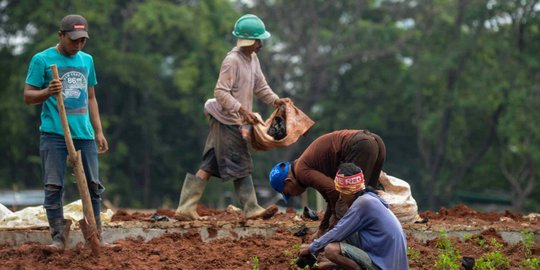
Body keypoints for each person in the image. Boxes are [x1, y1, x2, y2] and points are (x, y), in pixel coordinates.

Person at [175, 14, 290, 220]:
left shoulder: (252, 59)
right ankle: (251, 207)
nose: (260, 44)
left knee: (210, 163)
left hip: (232, 118)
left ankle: (185, 207)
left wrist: (275, 101)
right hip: (225, 119)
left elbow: (260, 86)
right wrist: (242, 110)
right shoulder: (232, 61)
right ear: (249, 40)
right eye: (258, 40)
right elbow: (221, 92)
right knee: (240, 159)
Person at [24, 14, 108, 250]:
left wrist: (98, 131)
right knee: (53, 186)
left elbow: (91, 98)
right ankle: (58, 237)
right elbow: (28, 96)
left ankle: (96, 235)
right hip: (54, 134)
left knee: (93, 185)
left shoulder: (87, 60)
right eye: (73, 40)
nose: (78, 45)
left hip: (84, 134)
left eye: (82, 40)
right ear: (60, 35)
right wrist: (47, 91)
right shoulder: (42, 60)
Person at [269, 129, 385, 235]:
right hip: (374, 142)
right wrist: (323, 227)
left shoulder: (301, 171)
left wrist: (332, 221)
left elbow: (334, 192)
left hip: (359, 145)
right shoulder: (304, 165)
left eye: (288, 192)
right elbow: (331, 197)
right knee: (369, 196)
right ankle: (377, 237)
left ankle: (344, 248)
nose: (294, 195)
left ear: (288, 181)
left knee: (343, 208)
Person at [298, 163, 408, 270]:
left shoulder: (363, 204)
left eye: (342, 192)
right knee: (346, 228)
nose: (341, 197)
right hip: (388, 260)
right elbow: (342, 229)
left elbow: (337, 232)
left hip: (383, 265)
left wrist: (311, 247)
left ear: (348, 192)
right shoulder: (370, 198)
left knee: (331, 249)